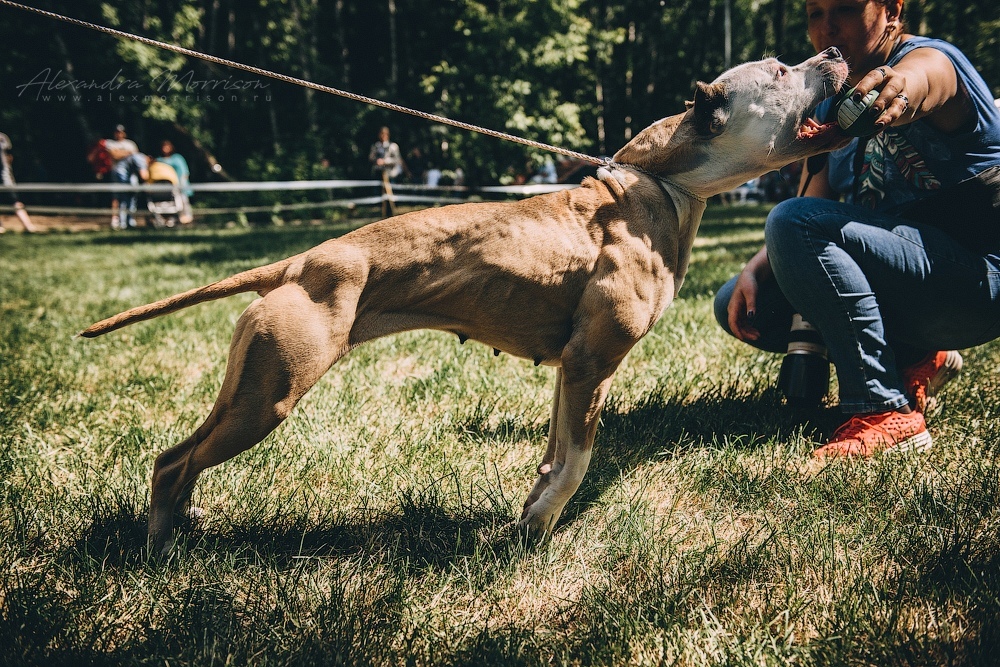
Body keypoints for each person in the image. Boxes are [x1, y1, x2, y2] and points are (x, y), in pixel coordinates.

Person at [714, 0, 1000, 458]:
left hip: (975, 285)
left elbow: (926, 79)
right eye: (814, 13)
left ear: (891, 10)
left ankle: (885, 411)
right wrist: (757, 266)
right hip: (911, 276)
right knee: (741, 301)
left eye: (845, 9)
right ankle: (918, 356)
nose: (827, 28)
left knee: (790, 223)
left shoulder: (934, 59)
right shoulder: (828, 103)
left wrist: (899, 87)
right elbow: (811, 206)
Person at [0, 132, 39, 233]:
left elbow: (10, 156)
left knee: (15, 202)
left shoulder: (2, 138)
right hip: (6, 176)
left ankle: (28, 226)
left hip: (5, 178)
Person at [105, 124, 142, 229]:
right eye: (117, 132)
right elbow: (114, 155)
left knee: (132, 196)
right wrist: (128, 153)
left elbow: (136, 157)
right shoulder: (110, 143)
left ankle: (130, 220)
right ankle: (119, 220)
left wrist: (121, 153)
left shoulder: (131, 143)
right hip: (117, 174)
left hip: (131, 174)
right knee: (118, 197)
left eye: (121, 132)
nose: (119, 134)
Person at [155, 140, 194, 224]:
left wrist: (181, 183)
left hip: (180, 184)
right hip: (167, 187)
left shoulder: (177, 158)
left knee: (183, 201)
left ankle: (187, 218)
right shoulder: (159, 160)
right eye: (164, 147)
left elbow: (184, 172)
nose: (165, 149)